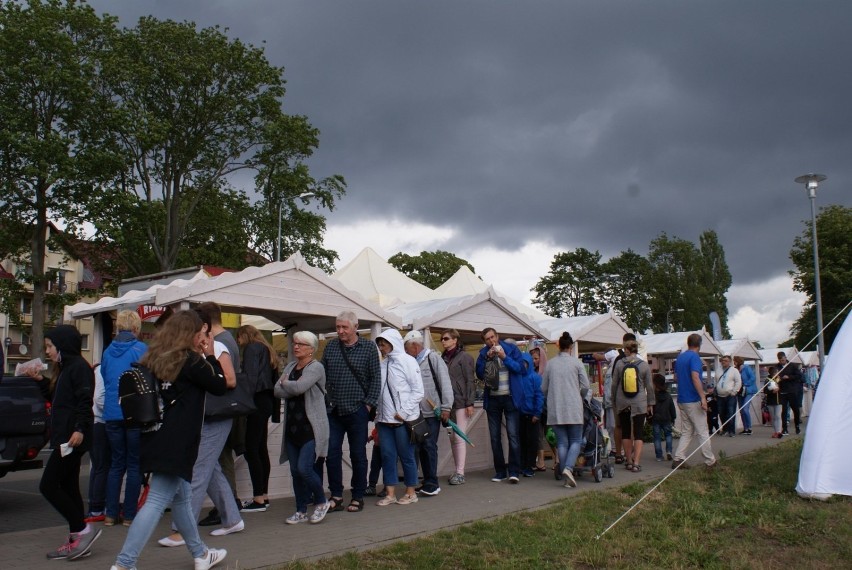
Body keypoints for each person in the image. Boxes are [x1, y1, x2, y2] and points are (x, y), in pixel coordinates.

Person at [110, 309, 227, 570]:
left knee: (183, 499)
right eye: (202, 334)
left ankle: (200, 554)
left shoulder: (155, 357)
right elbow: (220, 385)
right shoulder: (191, 361)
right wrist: (210, 354)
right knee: (156, 501)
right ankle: (125, 563)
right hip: (179, 440)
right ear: (192, 334)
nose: (203, 338)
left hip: (154, 435)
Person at [159, 303, 244, 547]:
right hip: (201, 417)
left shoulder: (218, 346)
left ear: (203, 327)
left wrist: (206, 371)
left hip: (216, 417)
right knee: (212, 470)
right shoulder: (190, 349)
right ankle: (232, 519)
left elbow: (229, 380)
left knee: (198, 471)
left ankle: (181, 529)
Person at [29, 325, 102, 560]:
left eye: (50, 346)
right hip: (65, 438)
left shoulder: (79, 368)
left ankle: (82, 530)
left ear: (62, 345)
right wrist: (41, 380)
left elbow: (84, 401)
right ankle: (76, 538)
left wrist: (80, 428)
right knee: (69, 487)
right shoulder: (66, 369)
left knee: (48, 486)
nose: (48, 351)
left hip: (72, 439)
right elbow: (60, 400)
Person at [322, 310, 381, 513]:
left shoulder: (369, 348)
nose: (340, 331)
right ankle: (336, 496)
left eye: (344, 327)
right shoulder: (330, 347)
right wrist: (326, 400)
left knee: (357, 454)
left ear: (355, 327)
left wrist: (368, 404)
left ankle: (357, 495)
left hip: (357, 410)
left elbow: (376, 379)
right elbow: (323, 377)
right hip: (334, 410)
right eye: (338, 327)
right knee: (331, 454)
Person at [274, 330, 331, 525]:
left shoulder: (316, 368)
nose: (295, 346)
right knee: (295, 472)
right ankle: (300, 510)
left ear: (311, 349)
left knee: (304, 468)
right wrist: (289, 384)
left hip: (311, 428)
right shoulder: (290, 366)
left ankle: (322, 502)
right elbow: (276, 390)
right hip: (292, 429)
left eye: (301, 344)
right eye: (295, 343)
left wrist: (286, 383)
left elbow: (299, 388)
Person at [102, 309, 148, 526]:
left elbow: (105, 377)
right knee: (134, 464)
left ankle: (111, 514)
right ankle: (129, 515)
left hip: (111, 413)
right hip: (134, 414)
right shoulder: (141, 349)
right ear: (136, 328)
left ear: (117, 327)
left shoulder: (107, 351)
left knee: (116, 464)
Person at [374, 329, 424, 506]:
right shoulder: (382, 363)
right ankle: (390, 493)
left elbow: (418, 391)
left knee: (407, 455)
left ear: (393, 342)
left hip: (403, 420)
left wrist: (403, 412)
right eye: (379, 343)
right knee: (387, 456)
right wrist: (378, 416)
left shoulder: (408, 361)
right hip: (384, 420)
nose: (381, 347)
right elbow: (380, 391)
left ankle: (411, 492)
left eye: (384, 343)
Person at [402, 330, 453, 497]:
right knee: (421, 447)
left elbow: (445, 382)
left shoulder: (433, 358)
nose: (405, 351)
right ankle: (427, 481)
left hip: (432, 412)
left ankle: (432, 483)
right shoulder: (412, 362)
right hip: (417, 413)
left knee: (429, 446)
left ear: (415, 347)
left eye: (407, 348)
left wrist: (446, 407)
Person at [236, 324, 278, 513]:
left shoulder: (252, 348)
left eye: (239, 337)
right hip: (266, 401)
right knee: (261, 449)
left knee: (251, 449)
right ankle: (264, 495)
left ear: (245, 335)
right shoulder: (268, 349)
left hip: (255, 401)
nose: (238, 341)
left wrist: (241, 399)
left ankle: (258, 498)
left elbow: (250, 377)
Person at [476, 327, 526, 483]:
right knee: (494, 437)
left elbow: (520, 369)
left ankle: (514, 471)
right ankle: (500, 471)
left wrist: (505, 357)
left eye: (493, 337)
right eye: (487, 339)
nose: (491, 341)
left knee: (513, 436)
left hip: (510, 397)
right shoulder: (483, 353)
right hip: (493, 399)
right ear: (484, 341)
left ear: (497, 336)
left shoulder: (511, 349)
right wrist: (487, 359)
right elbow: (478, 374)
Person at [541, 331, 589, 488]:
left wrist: (551, 397)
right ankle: (568, 468)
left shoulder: (550, 364)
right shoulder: (577, 363)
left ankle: (565, 471)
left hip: (556, 408)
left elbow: (543, 388)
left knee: (562, 442)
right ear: (571, 347)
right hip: (574, 406)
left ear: (559, 346)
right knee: (575, 440)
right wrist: (579, 395)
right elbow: (586, 386)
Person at [671, 334, 716, 470]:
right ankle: (710, 460)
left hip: (681, 398)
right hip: (693, 399)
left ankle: (678, 458)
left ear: (688, 343)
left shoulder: (680, 357)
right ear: (699, 344)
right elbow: (695, 377)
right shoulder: (695, 358)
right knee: (702, 430)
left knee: (687, 430)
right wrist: (703, 397)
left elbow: (675, 377)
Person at [611, 339, 653, 473]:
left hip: (622, 402)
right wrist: (650, 403)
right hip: (639, 402)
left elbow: (614, 384)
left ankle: (628, 461)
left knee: (626, 432)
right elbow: (649, 387)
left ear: (626, 350)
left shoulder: (619, 364)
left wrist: (614, 400)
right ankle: (636, 463)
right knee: (638, 433)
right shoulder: (644, 365)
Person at [440, 328, 476, 485]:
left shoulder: (464, 357)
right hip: (448, 404)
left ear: (455, 340)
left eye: (446, 338)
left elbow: (470, 380)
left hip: (461, 401)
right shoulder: (442, 358)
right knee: (452, 438)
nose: (443, 341)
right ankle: (457, 470)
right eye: (442, 339)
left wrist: (470, 402)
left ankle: (460, 472)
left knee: (460, 436)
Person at [84, 363, 109, 523]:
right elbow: (99, 397)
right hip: (99, 422)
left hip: (96, 422)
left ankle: (94, 506)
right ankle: (96, 507)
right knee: (102, 466)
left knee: (98, 466)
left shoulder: (99, 369)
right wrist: (113, 412)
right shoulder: (101, 370)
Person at [516, 346, 544, 478]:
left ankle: (530, 465)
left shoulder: (535, 377)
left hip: (532, 415)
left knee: (532, 441)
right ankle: (522, 465)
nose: (523, 366)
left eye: (525, 363)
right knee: (521, 440)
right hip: (520, 414)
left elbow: (539, 396)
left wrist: (537, 413)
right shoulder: (518, 377)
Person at [529, 342, 551, 472]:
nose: (534, 361)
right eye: (532, 358)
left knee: (550, 434)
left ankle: (558, 458)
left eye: (536, 358)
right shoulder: (532, 372)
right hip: (536, 407)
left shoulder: (547, 371)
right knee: (538, 434)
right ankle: (541, 461)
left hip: (547, 406)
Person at [714, 355, 742, 438]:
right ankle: (725, 429)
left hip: (730, 395)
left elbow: (738, 382)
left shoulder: (734, 370)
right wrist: (715, 392)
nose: (723, 362)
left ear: (729, 362)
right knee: (721, 413)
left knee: (730, 413)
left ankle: (731, 430)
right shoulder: (718, 370)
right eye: (722, 360)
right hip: (720, 395)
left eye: (725, 360)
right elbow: (716, 382)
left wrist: (734, 391)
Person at [651, 374, 676, 462]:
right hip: (667, 418)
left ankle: (659, 456)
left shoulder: (653, 396)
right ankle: (669, 451)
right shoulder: (668, 396)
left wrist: (649, 418)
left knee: (657, 437)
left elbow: (650, 408)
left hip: (656, 419)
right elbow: (672, 408)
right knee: (668, 435)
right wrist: (673, 418)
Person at [777, 351, 803, 435]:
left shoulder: (792, 366)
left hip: (792, 390)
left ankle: (797, 426)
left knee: (795, 409)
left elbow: (799, 376)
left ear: (785, 358)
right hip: (783, 391)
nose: (782, 362)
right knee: (784, 411)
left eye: (783, 360)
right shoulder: (777, 367)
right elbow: (775, 377)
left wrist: (789, 377)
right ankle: (784, 429)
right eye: (781, 360)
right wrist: (779, 379)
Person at [735, 356, 758, 435]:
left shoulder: (746, 368)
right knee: (741, 410)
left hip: (748, 391)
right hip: (740, 392)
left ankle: (749, 427)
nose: (734, 362)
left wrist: (745, 384)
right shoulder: (735, 370)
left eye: (734, 361)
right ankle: (745, 428)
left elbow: (753, 378)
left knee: (745, 409)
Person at [764, 367, 783, 438]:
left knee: (778, 416)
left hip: (779, 401)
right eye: (775, 372)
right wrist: (772, 391)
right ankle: (775, 431)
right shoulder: (767, 380)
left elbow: (784, 387)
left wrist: (779, 389)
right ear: (772, 373)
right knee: (773, 417)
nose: (777, 374)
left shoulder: (780, 380)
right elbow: (765, 390)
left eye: (777, 372)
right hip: (771, 401)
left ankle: (779, 431)